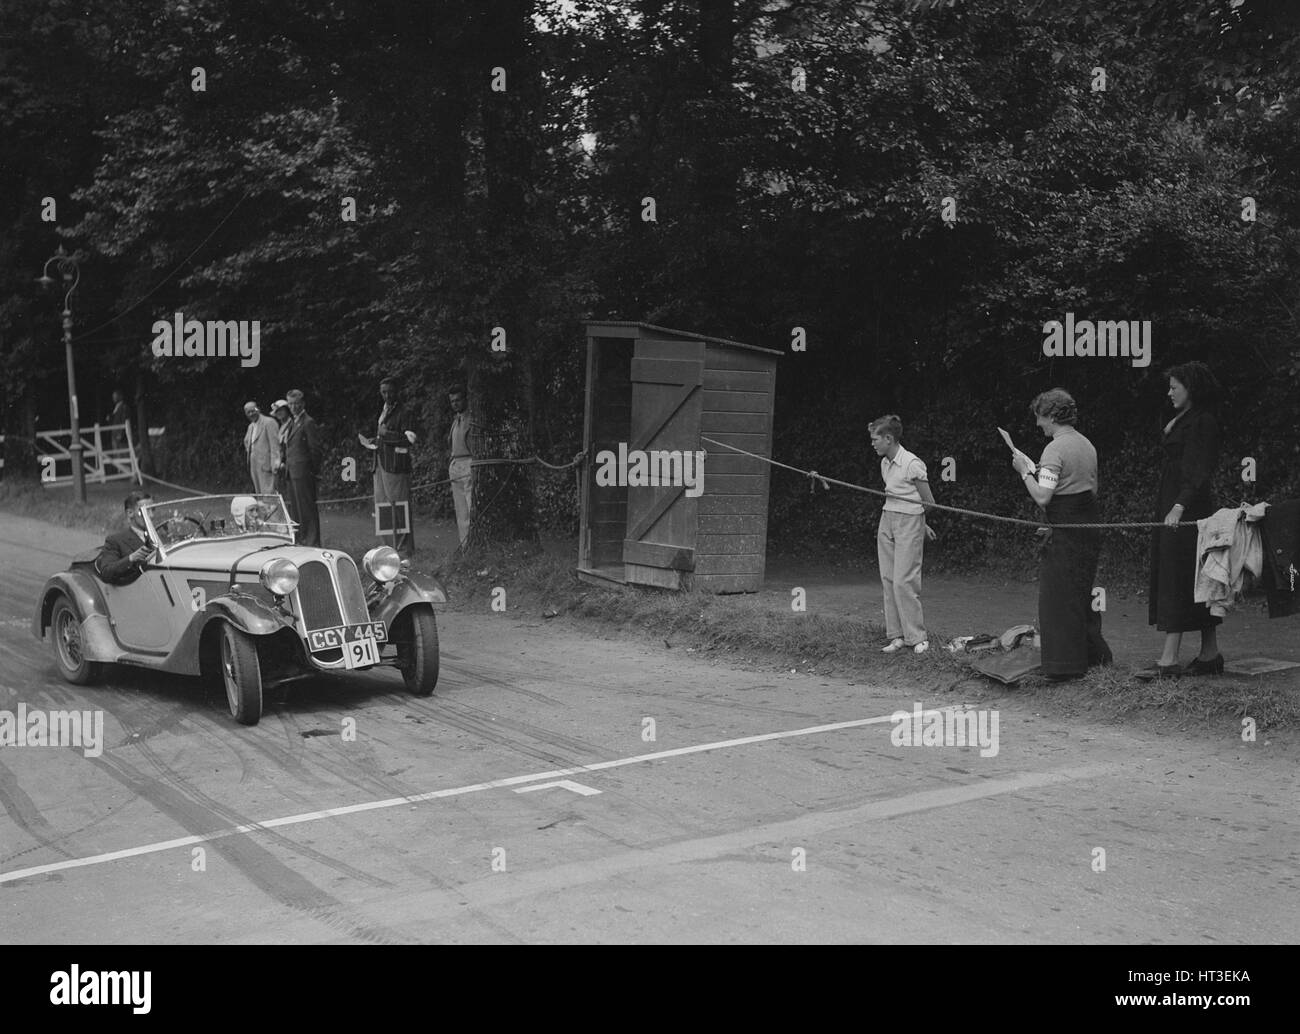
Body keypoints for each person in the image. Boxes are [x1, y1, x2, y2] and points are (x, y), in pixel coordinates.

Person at [1011, 389, 1113, 679]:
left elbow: (1043, 496)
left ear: (1052, 416)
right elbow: (1091, 489)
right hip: (1088, 526)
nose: (1038, 424)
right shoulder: (1087, 445)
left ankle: (1063, 667)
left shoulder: (1054, 449)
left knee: (1057, 598)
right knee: (1081, 593)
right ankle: (1095, 657)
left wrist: (1024, 472)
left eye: (1040, 418)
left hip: (1067, 530)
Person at [1144, 361, 1224, 677]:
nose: (1169, 393)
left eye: (1175, 387)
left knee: (1180, 574)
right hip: (1175, 498)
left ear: (1191, 388)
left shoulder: (1203, 422)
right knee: (1190, 573)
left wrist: (1179, 506)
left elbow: (1198, 469)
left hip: (1188, 506)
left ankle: (1168, 659)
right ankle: (1209, 653)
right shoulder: (1185, 418)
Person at [869, 415, 937, 655]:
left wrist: (919, 523)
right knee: (888, 579)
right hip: (887, 519)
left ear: (889, 438)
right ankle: (896, 635)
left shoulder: (912, 463)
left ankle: (917, 636)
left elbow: (928, 501)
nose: (873, 443)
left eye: (875, 439)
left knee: (903, 581)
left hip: (908, 522)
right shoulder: (885, 463)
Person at [359, 376, 418, 557]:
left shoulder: (405, 412)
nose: (387, 395)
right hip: (380, 464)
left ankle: (403, 548)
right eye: (383, 392)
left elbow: (410, 440)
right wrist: (374, 441)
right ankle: (388, 548)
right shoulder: (384, 410)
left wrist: (386, 434)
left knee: (399, 505)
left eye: (390, 391)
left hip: (396, 466)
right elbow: (383, 437)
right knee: (382, 506)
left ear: (396, 391)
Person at [283, 388, 324, 546]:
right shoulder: (293, 421)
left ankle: (313, 542)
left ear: (303, 404)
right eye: (291, 404)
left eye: (296, 404)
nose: (293, 407)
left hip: (303, 472)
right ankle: (301, 540)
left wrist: (312, 470)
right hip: (292, 472)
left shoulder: (308, 422)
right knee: (296, 510)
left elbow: (315, 449)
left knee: (307, 508)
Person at [94, 491, 154, 586]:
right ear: (130, 513)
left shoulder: (162, 534)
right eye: (144, 511)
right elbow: (106, 572)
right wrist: (131, 558)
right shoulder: (115, 540)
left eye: (152, 510)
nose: (151, 516)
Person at [447, 386, 476, 545]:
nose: (455, 404)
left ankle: (473, 543)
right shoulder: (455, 420)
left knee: (471, 507)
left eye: (458, 400)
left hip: (468, 464)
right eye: (452, 401)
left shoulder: (470, 419)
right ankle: (465, 545)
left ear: (465, 399)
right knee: (461, 511)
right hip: (456, 465)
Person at [242, 401, 280, 494]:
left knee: (269, 495)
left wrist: (275, 465)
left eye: (253, 410)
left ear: (258, 409)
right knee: (259, 495)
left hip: (267, 466)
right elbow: (247, 442)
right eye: (248, 412)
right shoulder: (250, 427)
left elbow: (275, 445)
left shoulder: (269, 422)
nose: (251, 414)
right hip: (254, 466)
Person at [270, 398, 292, 502]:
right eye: (277, 412)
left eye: (281, 410)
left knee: (288, 495)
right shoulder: (281, 426)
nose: (279, 414)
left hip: (287, 464)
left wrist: (284, 462)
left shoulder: (291, 425)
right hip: (280, 465)